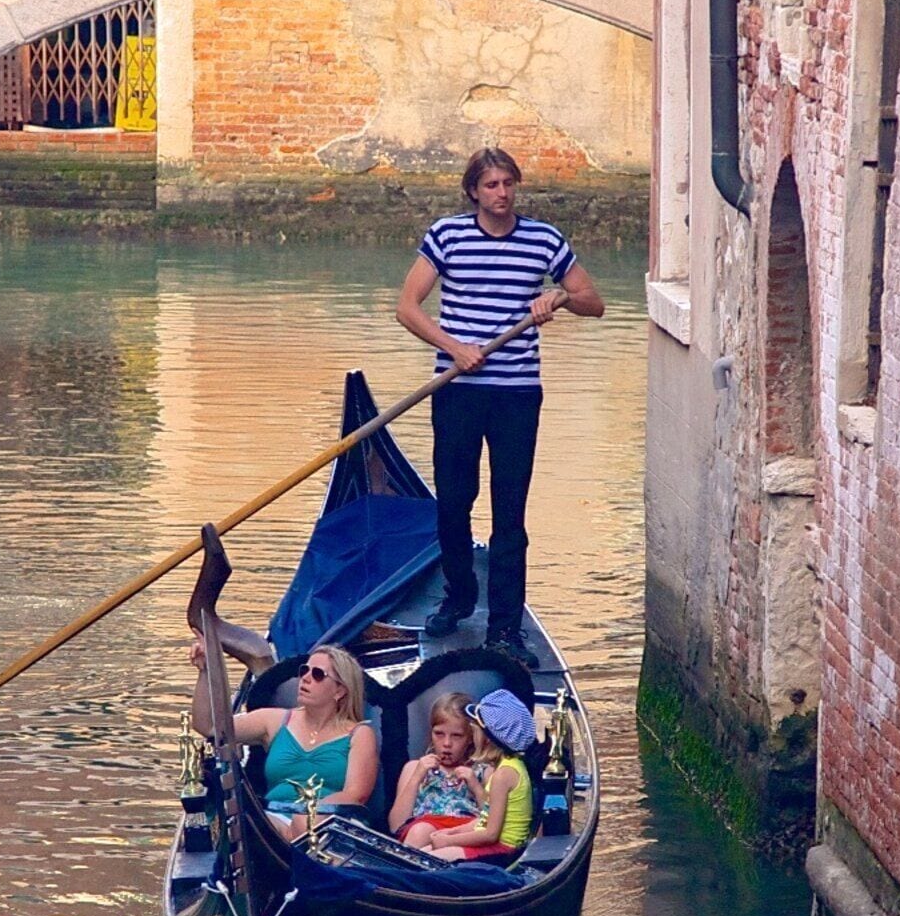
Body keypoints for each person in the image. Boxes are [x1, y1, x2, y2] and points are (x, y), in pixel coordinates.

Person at [397, 147, 604, 649]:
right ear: (473, 191)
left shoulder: (544, 240)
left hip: (516, 395)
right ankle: (460, 596)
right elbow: (407, 308)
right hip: (457, 391)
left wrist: (557, 297)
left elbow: (593, 304)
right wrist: (455, 348)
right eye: (491, 185)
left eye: (508, 184)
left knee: (509, 513)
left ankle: (505, 628)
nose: (502, 193)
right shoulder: (447, 236)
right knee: (453, 503)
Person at [185, 528, 378, 838]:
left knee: (303, 826)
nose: (305, 678)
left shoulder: (360, 734)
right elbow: (209, 727)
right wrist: (206, 671)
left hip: (333, 824)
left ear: (340, 690)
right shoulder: (275, 721)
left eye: (317, 675)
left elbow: (356, 796)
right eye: (304, 670)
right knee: (250, 826)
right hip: (273, 823)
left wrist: (309, 816)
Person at [392, 691, 491, 842]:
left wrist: (476, 787)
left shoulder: (483, 771)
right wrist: (416, 778)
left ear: (470, 738)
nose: (447, 743)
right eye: (439, 734)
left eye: (456, 736)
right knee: (420, 831)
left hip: (463, 833)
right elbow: (395, 825)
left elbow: (494, 823)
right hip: (423, 830)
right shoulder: (414, 768)